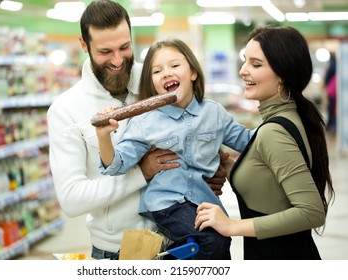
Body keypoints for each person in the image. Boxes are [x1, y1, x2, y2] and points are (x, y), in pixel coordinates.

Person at [46, 0, 227, 260]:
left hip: (181, 244)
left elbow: (200, 124)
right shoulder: (66, 109)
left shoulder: (158, 80)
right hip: (117, 254)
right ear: (84, 45)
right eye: (105, 51)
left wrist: (212, 170)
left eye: (124, 47)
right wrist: (141, 173)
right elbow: (72, 199)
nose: (118, 60)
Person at [95, 38, 253, 259]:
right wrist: (103, 137)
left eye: (175, 66)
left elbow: (249, 141)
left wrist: (279, 124)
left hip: (203, 199)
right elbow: (116, 164)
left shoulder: (214, 114)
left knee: (220, 241)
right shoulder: (145, 121)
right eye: (157, 71)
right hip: (166, 204)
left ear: (193, 73)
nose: (166, 73)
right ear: (152, 83)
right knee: (212, 240)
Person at [195, 25, 335, 260]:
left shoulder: (274, 132)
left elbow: (312, 212)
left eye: (256, 64)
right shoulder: (288, 118)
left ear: (282, 74)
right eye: (245, 61)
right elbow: (269, 187)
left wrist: (231, 226)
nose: (243, 71)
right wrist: (228, 165)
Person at [324, 52, 337, 133]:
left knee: (331, 108)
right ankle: (331, 125)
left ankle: (330, 125)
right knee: (332, 109)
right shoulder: (337, 66)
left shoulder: (332, 66)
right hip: (333, 91)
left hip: (332, 91)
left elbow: (326, 79)